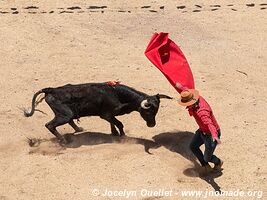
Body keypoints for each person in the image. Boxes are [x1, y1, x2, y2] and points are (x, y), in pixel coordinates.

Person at [177, 88, 223, 176]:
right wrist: (179, 86)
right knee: (193, 146)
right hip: (202, 131)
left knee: (207, 157)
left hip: (210, 136)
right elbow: (186, 91)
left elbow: (210, 124)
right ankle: (206, 166)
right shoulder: (197, 98)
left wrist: (214, 135)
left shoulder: (202, 112)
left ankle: (218, 162)